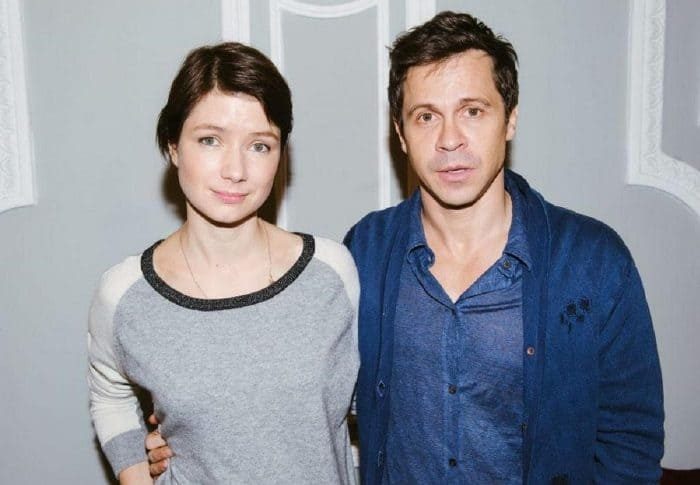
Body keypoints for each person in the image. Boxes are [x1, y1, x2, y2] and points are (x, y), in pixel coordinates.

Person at [147, 11, 664, 484]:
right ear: (399, 132)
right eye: (426, 116)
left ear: (510, 119)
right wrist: (192, 434)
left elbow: (631, 442)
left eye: (473, 111)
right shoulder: (364, 254)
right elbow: (302, 387)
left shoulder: (593, 262)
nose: (450, 139)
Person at [88, 42, 359, 484]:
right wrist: (135, 472)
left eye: (259, 146)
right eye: (210, 140)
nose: (235, 170)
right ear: (173, 146)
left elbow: (369, 404)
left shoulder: (331, 273)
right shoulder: (125, 295)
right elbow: (110, 395)